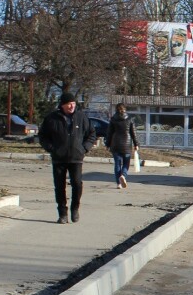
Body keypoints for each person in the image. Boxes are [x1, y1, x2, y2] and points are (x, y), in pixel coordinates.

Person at [37, 90, 96, 224]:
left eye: (73, 103)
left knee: (77, 184)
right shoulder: (52, 118)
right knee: (59, 186)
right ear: (62, 105)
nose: (72, 106)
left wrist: (84, 148)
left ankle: (75, 209)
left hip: (76, 157)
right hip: (59, 158)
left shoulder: (81, 117)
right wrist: (52, 149)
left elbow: (92, 134)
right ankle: (62, 214)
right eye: (69, 104)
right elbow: (43, 136)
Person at [104, 102, 139, 189]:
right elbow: (133, 133)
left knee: (117, 164)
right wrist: (136, 144)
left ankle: (118, 183)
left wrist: (107, 144)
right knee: (126, 164)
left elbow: (109, 133)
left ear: (116, 109)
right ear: (125, 110)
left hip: (115, 144)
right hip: (126, 145)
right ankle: (123, 175)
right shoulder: (130, 119)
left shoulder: (113, 119)